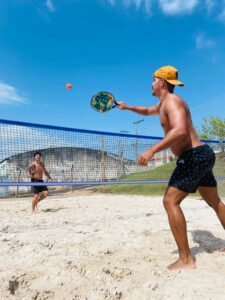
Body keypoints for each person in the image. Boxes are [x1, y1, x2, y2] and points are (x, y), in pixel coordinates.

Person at [117, 65, 225, 270]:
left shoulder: (173, 101)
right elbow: (148, 110)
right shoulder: (163, 103)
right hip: (202, 154)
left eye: (153, 80)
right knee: (214, 201)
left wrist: (152, 150)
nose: (151, 83)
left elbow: (180, 131)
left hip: (193, 156)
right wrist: (128, 107)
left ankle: (186, 260)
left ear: (161, 82)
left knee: (170, 201)